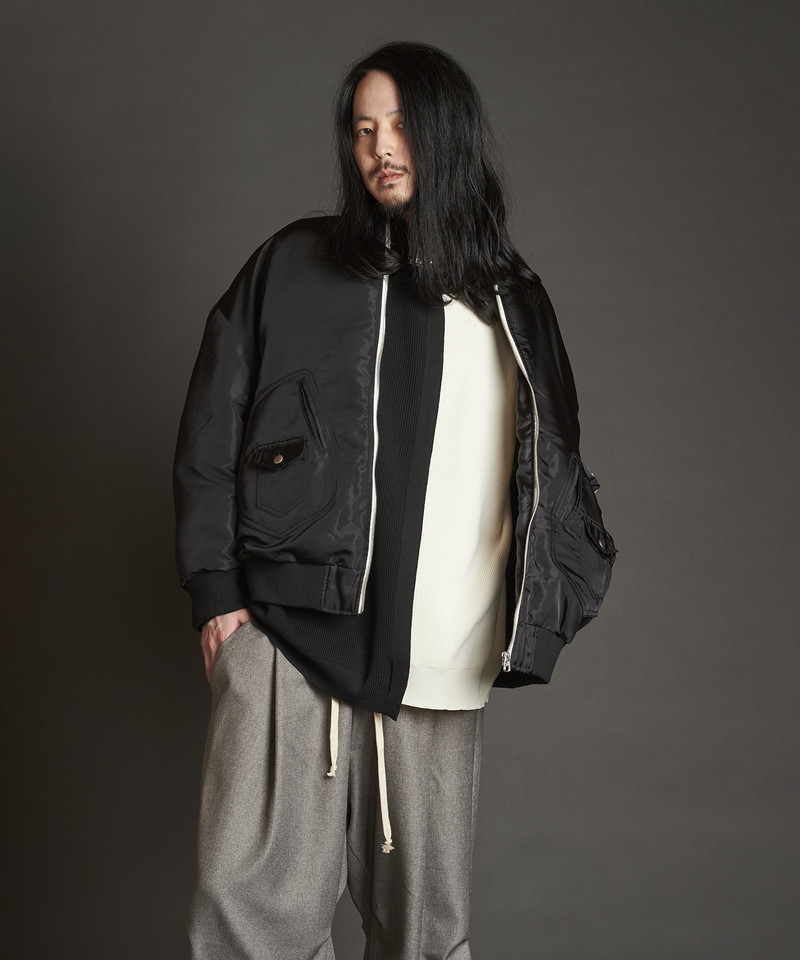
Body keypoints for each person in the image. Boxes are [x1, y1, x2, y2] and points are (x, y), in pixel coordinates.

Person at [173, 39, 617, 960]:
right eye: (363, 128)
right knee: (248, 920)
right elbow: (212, 425)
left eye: (401, 124)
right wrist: (217, 596)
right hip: (292, 639)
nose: (379, 146)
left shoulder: (516, 301)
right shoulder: (293, 265)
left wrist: (545, 615)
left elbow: (554, 473)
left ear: (447, 133)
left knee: (428, 938)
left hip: (441, 667)